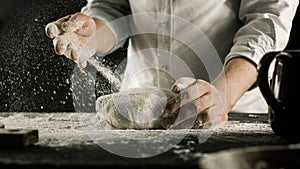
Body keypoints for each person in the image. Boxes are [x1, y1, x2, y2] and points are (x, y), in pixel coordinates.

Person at [45, 0, 299, 129]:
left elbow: (266, 23)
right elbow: (111, 7)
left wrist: (222, 95)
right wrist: (92, 33)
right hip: (138, 114)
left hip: (230, 112)